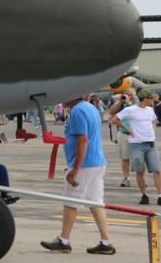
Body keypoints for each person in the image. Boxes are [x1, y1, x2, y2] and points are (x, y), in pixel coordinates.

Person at [42, 93, 115, 254]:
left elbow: (83, 140)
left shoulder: (77, 112)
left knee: (70, 201)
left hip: (85, 165)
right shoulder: (90, 108)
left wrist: (75, 168)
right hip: (97, 162)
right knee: (96, 202)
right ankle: (106, 242)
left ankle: (64, 240)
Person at [113, 93, 161, 205]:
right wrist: (129, 129)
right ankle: (144, 194)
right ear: (144, 99)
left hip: (150, 143)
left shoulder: (150, 110)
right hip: (136, 144)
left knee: (157, 170)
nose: (153, 100)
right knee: (140, 170)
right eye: (151, 98)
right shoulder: (130, 110)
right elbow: (115, 119)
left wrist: (153, 132)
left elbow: (154, 121)